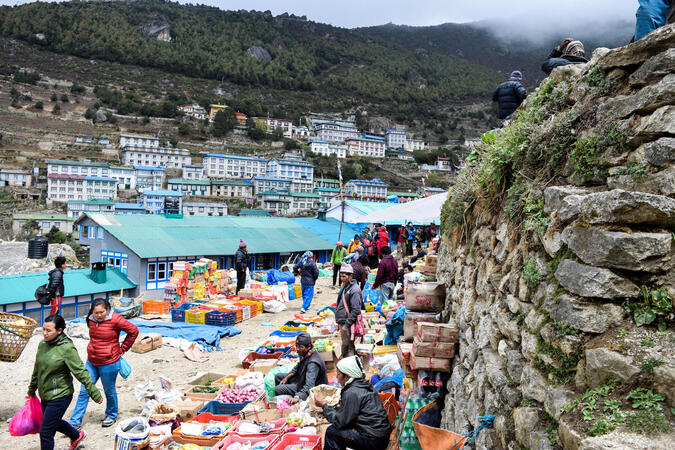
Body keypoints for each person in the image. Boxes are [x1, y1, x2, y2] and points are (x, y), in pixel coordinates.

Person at [28, 315, 103, 450]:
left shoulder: (67, 348)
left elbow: (80, 371)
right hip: (45, 393)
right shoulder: (42, 345)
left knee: (45, 432)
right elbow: (37, 368)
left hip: (61, 395)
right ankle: (76, 436)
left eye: (48, 330)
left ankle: (75, 436)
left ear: (59, 331)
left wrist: (94, 392)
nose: (44, 333)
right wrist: (31, 389)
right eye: (44, 329)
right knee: (53, 423)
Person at [69, 298, 139, 429]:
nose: (99, 315)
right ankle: (75, 421)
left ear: (107, 310)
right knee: (85, 390)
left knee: (109, 390)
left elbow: (133, 331)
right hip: (92, 361)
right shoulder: (90, 319)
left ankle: (111, 414)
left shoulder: (116, 319)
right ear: (92, 312)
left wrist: (123, 348)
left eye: (102, 312)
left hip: (109, 362)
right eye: (96, 313)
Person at [315, 356, 392, 450]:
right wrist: (327, 410)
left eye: (338, 374)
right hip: (380, 436)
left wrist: (324, 405)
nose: (336, 377)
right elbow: (348, 412)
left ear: (347, 376)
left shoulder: (352, 392)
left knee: (332, 432)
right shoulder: (362, 384)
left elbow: (340, 422)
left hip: (374, 440)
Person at [274, 332, 328, 402]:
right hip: (302, 378)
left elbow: (309, 386)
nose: (297, 349)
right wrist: (286, 377)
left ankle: (290, 401)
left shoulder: (313, 363)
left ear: (308, 347)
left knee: (278, 389)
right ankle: (284, 397)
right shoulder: (305, 353)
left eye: (300, 347)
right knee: (278, 377)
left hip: (312, 387)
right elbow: (297, 367)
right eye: (297, 346)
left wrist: (297, 397)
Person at [334, 264, 363, 357]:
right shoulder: (346, 287)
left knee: (347, 348)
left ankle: (349, 367)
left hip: (348, 323)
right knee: (348, 346)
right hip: (344, 321)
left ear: (351, 276)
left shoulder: (354, 290)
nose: (342, 279)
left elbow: (356, 309)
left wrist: (347, 324)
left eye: (344, 276)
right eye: (341, 276)